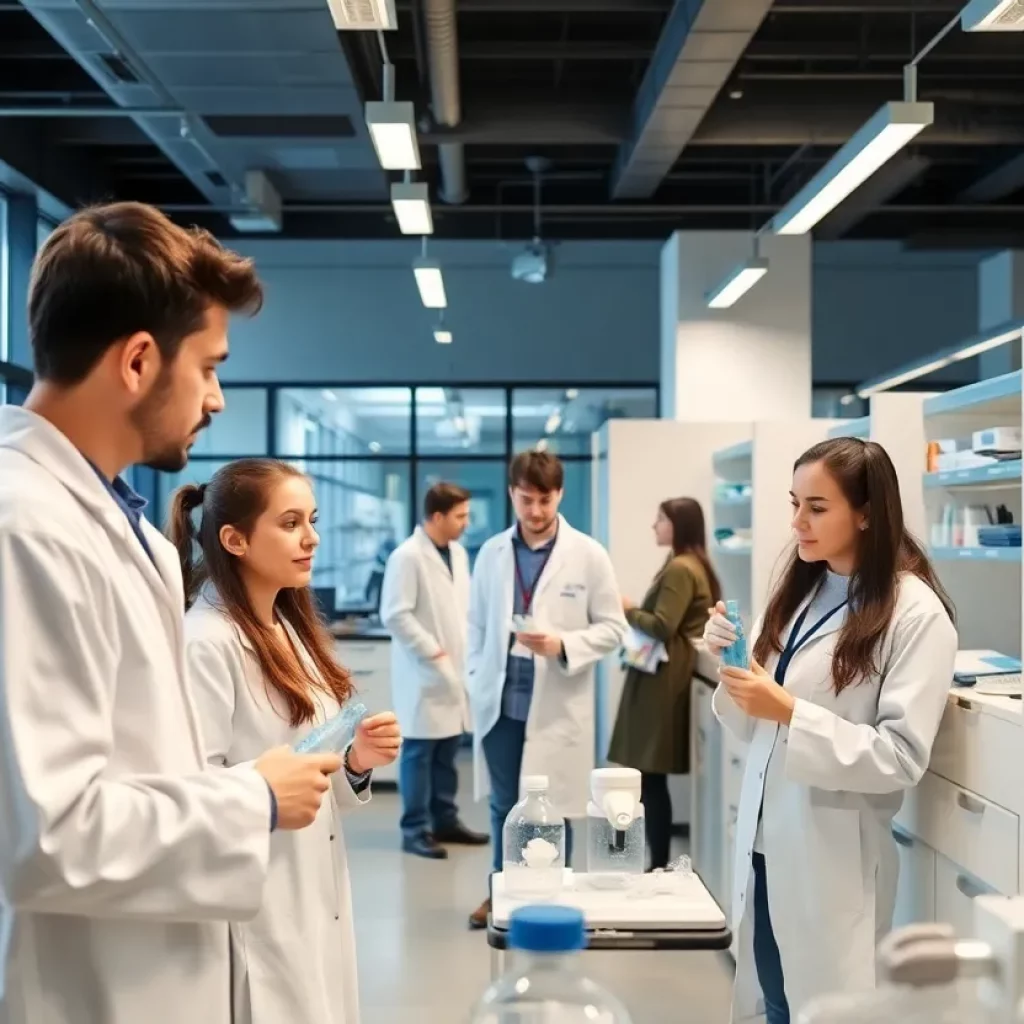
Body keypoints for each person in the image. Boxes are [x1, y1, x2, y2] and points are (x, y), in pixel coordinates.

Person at [0, 202, 340, 1024]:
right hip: (92, 989)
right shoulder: (24, 526)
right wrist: (251, 799)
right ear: (140, 361)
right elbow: (49, 834)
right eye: (210, 367)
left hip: (163, 970)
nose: (217, 399)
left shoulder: (126, 530)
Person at [702, 437, 957, 1024]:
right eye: (795, 503)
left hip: (833, 855)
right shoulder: (802, 591)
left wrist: (790, 710)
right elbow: (752, 727)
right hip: (767, 844)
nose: (797, 522)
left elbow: (900, 757)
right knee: (773, 1001)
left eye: (817, 508)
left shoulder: (915, 614)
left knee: (818, 1008)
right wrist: (735, 665)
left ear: (867, 512)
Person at [171, 459, 402, 1024]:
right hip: (260, 897)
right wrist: (263, 788)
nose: (312, 538)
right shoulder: (207, 641)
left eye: (313, 520)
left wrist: (355, 762)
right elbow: (185, 791)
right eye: (291, 522)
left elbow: (307, 758)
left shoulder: (285, 627)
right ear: (235, 539)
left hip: (312, 887)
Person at [466, 450, 628, 929]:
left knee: (557, 808)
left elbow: (614, 628)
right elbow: (474, 625)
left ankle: (555, 895)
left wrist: (562, 643)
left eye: (545, 500)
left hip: (557, 698)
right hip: (500, 700)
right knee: (502, 805)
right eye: (526, 499)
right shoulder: (493, 552)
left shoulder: (588, 554)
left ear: (559, 494)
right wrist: (474, 676)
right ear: (513, 493)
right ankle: (501, 892)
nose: (535, 511)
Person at [608, 497, 721, 870]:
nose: (654, 526)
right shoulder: (688, 564)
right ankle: (653, 861)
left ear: (678, 524)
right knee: (649, 777)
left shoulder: (681, 568)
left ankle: (656, 864)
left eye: (660, 520)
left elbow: (661, 625)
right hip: (663, 675)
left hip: (661, 681)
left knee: (649, 778)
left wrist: (626, 609)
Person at [380, 481, 488, 860]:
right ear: (438, 516)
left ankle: (446, 821)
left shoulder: (457, 553)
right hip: (424, 672)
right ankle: (415, 829)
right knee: (420, 753)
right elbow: (395, 614)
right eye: (460, 516)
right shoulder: (407, 557)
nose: (465, 523)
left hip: (455, 669)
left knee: (446, 751)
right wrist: (432, 652)